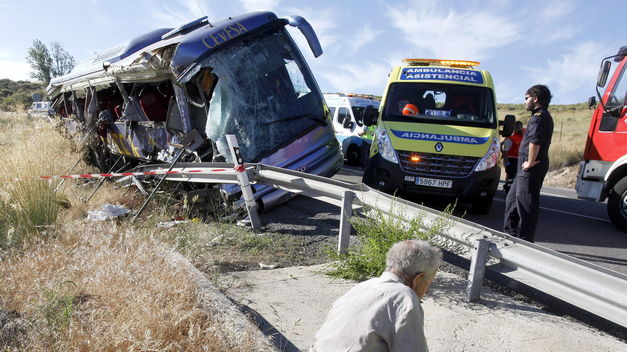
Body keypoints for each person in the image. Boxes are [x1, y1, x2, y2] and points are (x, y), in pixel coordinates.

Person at [311, 240, 441, 352]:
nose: (426, 290)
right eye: (428, 283)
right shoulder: (405, 298)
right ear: (418, 279)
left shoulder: (362, 287)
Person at [503, 85, 554, 242]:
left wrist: (530, 162)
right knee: (512, 201)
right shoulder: (539, 116)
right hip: (524, 167)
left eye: (526, 98)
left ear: (535, 98)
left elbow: (535, 142)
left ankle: (525, 241)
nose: (525, 102)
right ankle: (509, 236)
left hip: (530, 166)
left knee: (526, 204)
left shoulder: (539, 117)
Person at [502, 121, 525, 194]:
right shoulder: (510, 138)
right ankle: (508, 191)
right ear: (514, 128)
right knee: (511, 177)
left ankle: (510, 188)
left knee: (516, 176)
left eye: (521, 127)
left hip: (520, 159)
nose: (520, 129)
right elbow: (505, 151)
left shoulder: (523, 134)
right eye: (518, 127)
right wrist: (507, 163)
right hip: (511, 159)